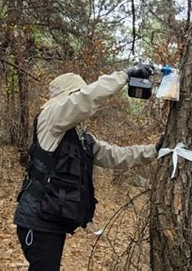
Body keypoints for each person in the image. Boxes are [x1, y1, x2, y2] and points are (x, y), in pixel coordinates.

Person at [14, 65, 160, 270]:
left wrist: (154, 150)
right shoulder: (51, 116)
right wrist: (124, 76)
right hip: (37, 221)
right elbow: (86, 100)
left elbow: (115, 155)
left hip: (50, 221)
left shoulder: (80, 138)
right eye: (76, 95)